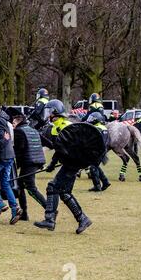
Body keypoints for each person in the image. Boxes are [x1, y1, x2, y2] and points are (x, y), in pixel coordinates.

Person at [34, 99, 93, 234]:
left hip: (72, 164)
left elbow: (73, 148)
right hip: (68, 163)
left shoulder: (66, 126)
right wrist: (51, 165)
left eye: (50, 112)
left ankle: (49, 219)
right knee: (64, 192)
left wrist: (60, 162)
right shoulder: (56, 128)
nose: (48, 115)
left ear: (55, 113)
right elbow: (58, 150)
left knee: (52, 187)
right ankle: (83, 219)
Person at [0, 102, 22, 224]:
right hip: (9, 156)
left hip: (3, 156)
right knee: (5, 183)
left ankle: (0, 203)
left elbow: (2, 136)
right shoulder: (4, 118)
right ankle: (15, 209)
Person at [12, 114, 47, 221]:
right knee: (20, 186)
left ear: (18, 122)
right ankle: (24, 214)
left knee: (31, 188)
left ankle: (50, 209)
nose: (12, 125)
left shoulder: (18, 131)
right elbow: (47, 142)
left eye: (13, 123)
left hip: (29, 162)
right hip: (36, 161)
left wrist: (15, 165)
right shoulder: (33, 130)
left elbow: (19, 150)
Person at [86, 112, 111, 192]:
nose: (90, 120)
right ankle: (105, 182)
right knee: (96, 166)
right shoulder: (103, 128)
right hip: (102, 150)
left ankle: (97, 186)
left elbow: (93, 141)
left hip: (97, 151)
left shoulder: (97, 128)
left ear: (97, 120)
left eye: (92, 119)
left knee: (93, 167)